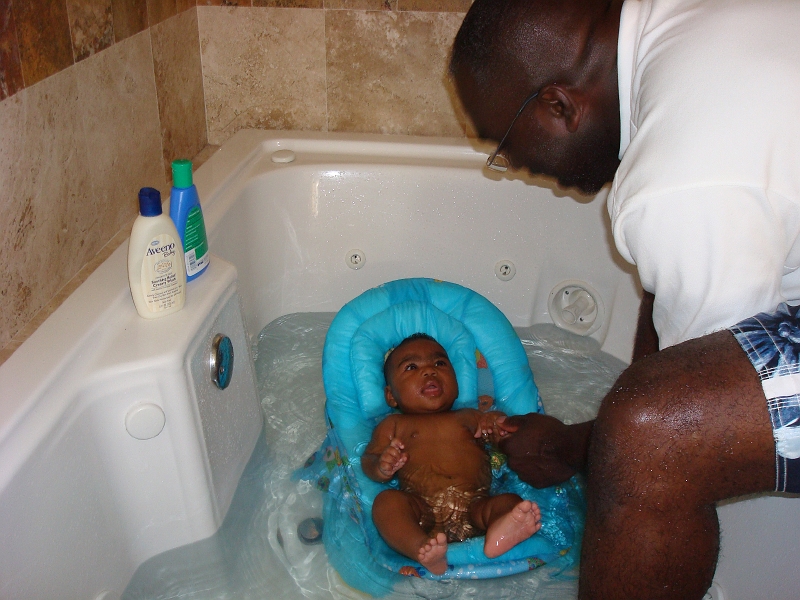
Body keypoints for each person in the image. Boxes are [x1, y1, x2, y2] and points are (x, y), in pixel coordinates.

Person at [449, 0, 800, 598]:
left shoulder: (681, 180)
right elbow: (676, 334)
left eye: (504, 145)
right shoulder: (680, 34)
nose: (516, 167)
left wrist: (573, 445)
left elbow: (692, 418)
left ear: (560, 106)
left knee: (652, 439)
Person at [361, 333, 542, 575]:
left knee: (511, 503)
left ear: (456, 382)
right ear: (391, 396)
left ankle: (502, 531)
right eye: (412, 367)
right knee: (386, 504)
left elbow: (507, 436)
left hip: (476, 507)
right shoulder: (394, 425)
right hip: (421, 511)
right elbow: (369, 459)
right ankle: (422, 548)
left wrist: (494, 426)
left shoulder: (468, 416)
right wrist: (382, 466)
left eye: (439, 363)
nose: (429, 372)